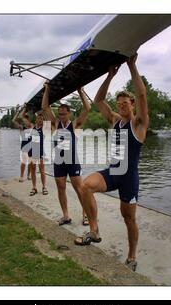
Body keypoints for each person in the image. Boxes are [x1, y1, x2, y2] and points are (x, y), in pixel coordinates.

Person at [74, 54, 149, 272]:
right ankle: (94, 231)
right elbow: (98, 101)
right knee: (85, 186)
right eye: (119, 104)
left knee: (128, 219)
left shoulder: (139, 125)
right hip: (113, 172)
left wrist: (132, 65)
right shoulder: (115, 120)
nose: (121, 106)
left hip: (129, 178)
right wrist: (110, 75)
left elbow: (142, 94)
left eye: (125, 103)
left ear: (132, 104)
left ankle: (132, 255)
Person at [41, 83, 91, 226]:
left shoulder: (74, 124)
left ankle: (86, 214)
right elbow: (45, 107)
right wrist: (47, 89)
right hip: (59, 162)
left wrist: (80, 91)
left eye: (64, 113)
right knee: (61, 188)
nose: (61, 115)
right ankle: (66, 216)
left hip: (72, 161)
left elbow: (88, 108)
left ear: (69, 113)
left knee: (79, 189)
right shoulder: (55, 123)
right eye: (60, 113)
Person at [21, 111, 48, 196]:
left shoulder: (44, 128)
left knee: (42, 170)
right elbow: (23, 118)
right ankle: (34, 187)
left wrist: (45, 110)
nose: (40, 120)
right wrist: (25, 109)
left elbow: (49, 119)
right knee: (32, 170)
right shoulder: (31, 127)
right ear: (36, 120)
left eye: (41, 119)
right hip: (31, 152)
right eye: (38, 118)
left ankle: (44, 187)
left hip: (40, 152)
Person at [12, 107, 32, 182]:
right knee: (24, 162)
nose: (25, 120)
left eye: (27, 119)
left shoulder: (31, 126)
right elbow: (13, 120)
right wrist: (18, 112)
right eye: (25, 119)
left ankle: (29, 175)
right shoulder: (22, 127)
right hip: (24, 147)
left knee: (30, 162)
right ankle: (21, 176)